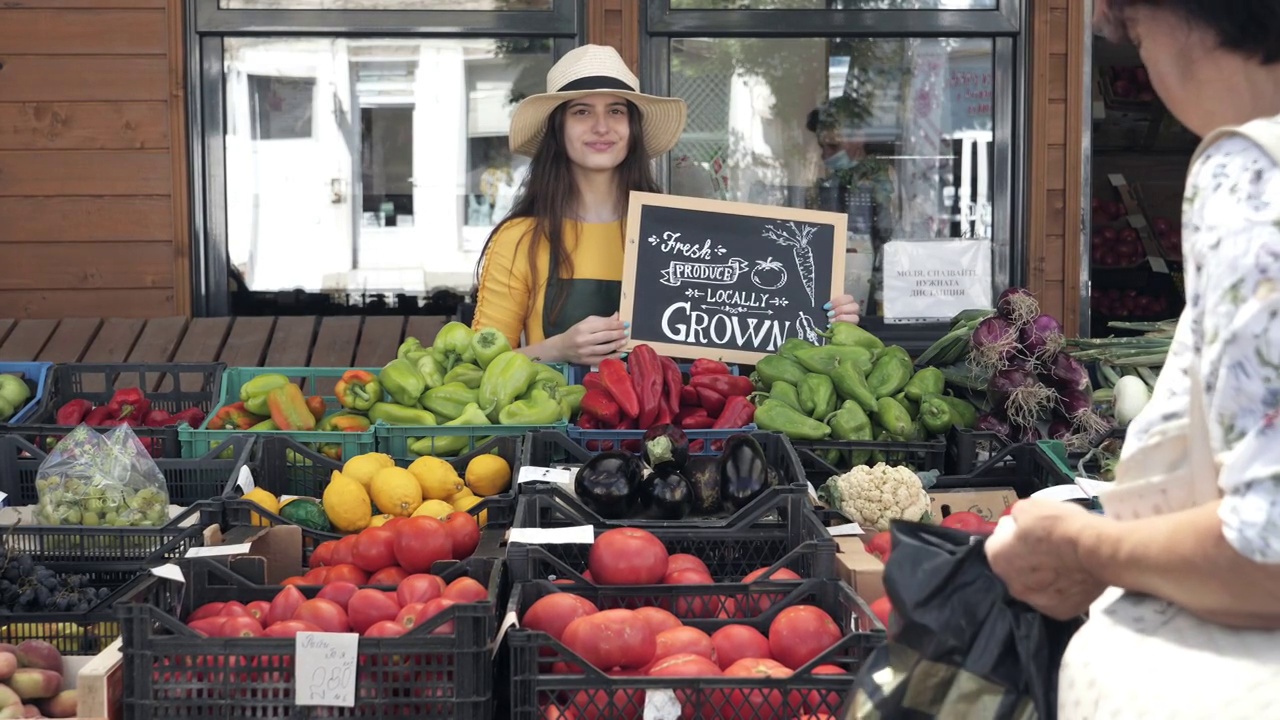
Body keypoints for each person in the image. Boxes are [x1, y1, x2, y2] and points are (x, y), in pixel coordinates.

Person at [983, 1, 1280, 716]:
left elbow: (1265, 552)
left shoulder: (1252, 179)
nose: (1143, 58)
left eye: (1137, 32)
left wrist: (1081, 544)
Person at [473, 45, 862, 365]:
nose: (602, 126)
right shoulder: (520, 239)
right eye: (581, 112)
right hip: (557, 442)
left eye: (616, 111)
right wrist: (557, 349)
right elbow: (478, 369)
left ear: (633, 129)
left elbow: (749, 323)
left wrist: (824, 318)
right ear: (557, 129)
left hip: (669, 440)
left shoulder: (676, 230)